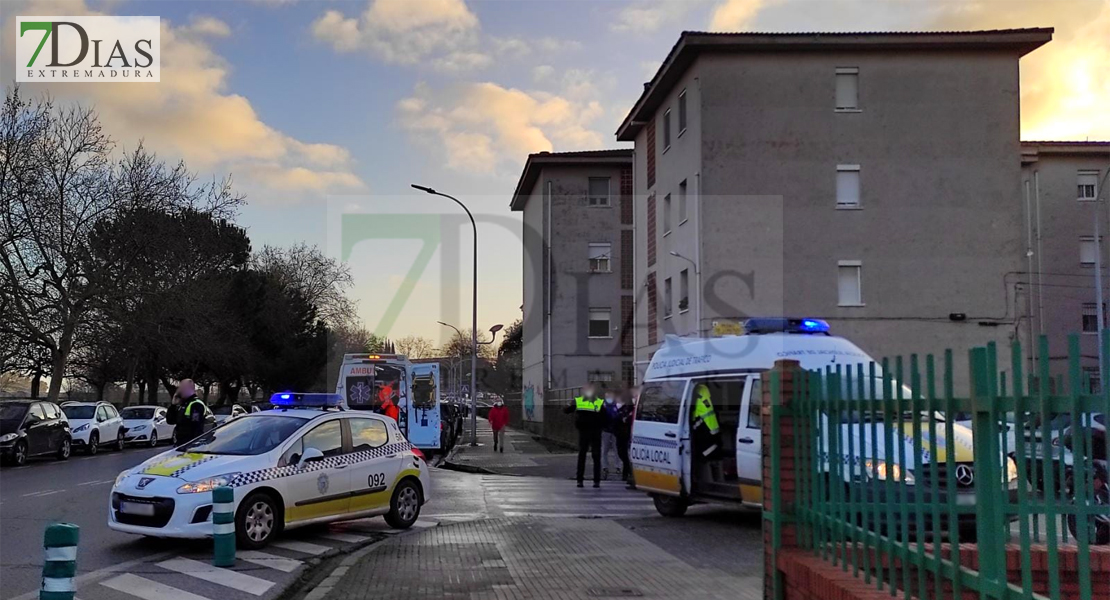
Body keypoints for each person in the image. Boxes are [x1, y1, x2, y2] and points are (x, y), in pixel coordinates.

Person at [564, 383, 604, 488]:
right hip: (596, 432)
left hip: (584, 432)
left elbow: (566, 410)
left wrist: (569, 404)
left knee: (582, 456)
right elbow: (606, 417)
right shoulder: (599, 402)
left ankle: (580, 480)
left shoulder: (579, 400)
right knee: (596, 456)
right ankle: (596, 481)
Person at [173, 379, 207, 444]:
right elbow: (170, 420)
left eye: (182, 388)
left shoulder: (196, 404)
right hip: (182, 444)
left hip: (192, 445)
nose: (179, 390)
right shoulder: (183, 404)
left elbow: (195, 425)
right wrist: (173, 405)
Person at [615, 389, 636, 488]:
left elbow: (626, 419)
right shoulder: (620, 407)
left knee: (626, 453)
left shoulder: (630, 407)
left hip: (626, 433)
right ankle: (627, 473)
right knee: (622, 453)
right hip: (620, 433)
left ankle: (628, 474)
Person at [600, 390, 620, 479]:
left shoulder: (617, 405)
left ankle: (618, 467)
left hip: (614, 430)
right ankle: (605, 467)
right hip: (606, 430)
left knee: (616, 450)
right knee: (605, 450)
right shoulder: (602, 405)